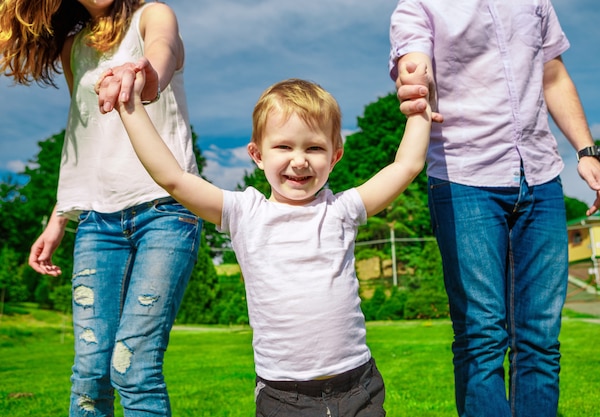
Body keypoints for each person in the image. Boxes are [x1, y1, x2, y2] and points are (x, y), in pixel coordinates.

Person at [114, 66, 432, 415]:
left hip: (358, 385)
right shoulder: (244, 213)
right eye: (284, 146)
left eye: (314, 147)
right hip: (283, 396)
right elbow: (172, 178)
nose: (299, 160)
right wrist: (129, 107)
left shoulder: (342, 210)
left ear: (335, 156)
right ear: (258, 155)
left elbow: (406, 166)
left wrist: (420, 107)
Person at [388, 1, 600, 416]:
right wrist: (416, 80)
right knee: (482, 335)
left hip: (541, 176)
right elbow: (415, 64)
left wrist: (586, 151)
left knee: (541, 338)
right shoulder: (418, 6)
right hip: (464, 177)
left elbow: (553, 74)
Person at [0, 1, 202, 415]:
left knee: (135, 368)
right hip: (96, 222)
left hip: (165, 212)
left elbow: (163, 49)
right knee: (90, 374)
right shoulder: (73, 48)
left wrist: (142, 72)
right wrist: (58, 218)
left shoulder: (152, 15)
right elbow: (83, 136)